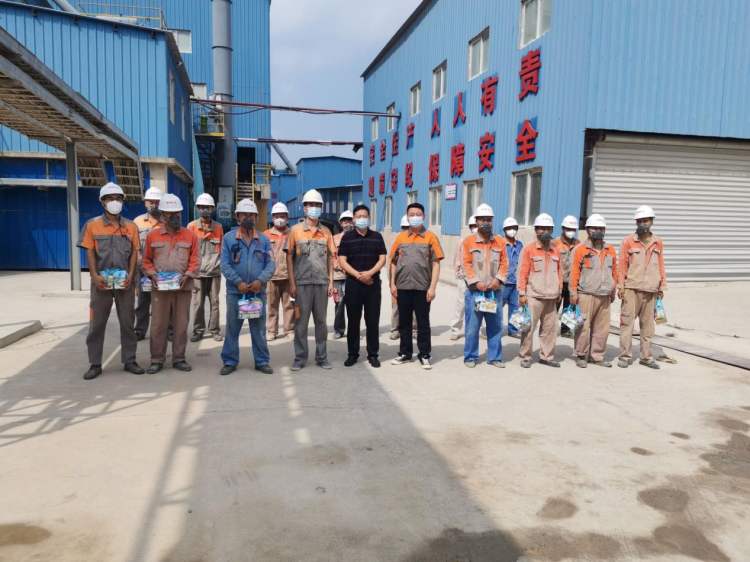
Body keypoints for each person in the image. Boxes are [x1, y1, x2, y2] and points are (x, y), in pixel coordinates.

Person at [78, 183, 144, 380]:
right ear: (102, 202)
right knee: (97, 324)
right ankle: (95, 364)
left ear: (123, 201)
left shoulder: (131, 226)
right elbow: (89, 251)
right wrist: (94, 276)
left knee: (128, 323)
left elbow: (134, 252)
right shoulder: (92, 225)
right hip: (101, 283)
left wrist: (131, 275)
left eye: (118, 198)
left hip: (125, 283)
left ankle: (130, 360)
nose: (115, 202)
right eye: (110, 198)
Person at [141, 194, 199, 374]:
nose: (174, 216)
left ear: (181, 213)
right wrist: (152, 275)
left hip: (183, 287)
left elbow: (195, 259)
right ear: (162, 214)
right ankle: (157, 359)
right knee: (158, 324)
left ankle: (179, 358)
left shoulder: (191, 236)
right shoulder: (152, 236)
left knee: (181, 325)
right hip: (160, 288)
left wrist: (188, 275)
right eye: (169, 213)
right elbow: (146, 260)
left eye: (177, 212)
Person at [219, 199, 276, 376]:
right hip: (236, 292)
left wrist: (260, 280)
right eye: (244, 214)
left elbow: (271, 263)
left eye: (251, 214)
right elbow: (224, 264)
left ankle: (262, 361)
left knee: (259, 330)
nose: (248, 217)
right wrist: (238, 282)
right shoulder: (229, 239)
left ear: (257, 217)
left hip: (258, 293)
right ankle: (230, 361)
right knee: (232, 329)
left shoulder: (264, 240)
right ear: (237, 216)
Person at [285, 189, 336, 371]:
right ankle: (300, 358)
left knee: (321, 323)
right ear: (304, 208)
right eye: (311, 205)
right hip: (301, 284)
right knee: (301, 323)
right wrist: (292, 283)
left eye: (317, 205)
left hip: (321, 284)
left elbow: (330, 257)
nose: (314, 208)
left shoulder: (326, 232)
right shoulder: (295, 231)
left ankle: (322, 357)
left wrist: (331, 282)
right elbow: (289, 257)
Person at [390, 203, 444, 370]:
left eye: (418, 214)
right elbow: (393, 262)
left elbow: (436, 263)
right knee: (404, 322)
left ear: (424, 217)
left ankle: (424, 354)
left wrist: (432, 287)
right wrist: (392, 284)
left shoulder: (431, 237)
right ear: (407, 217)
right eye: (411, 214)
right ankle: (405, 353)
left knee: (422, 323)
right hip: (403, 286)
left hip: (422, 288)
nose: (415, 217)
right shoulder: (400, 238)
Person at [337, 204, 388, 368]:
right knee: (353, 320)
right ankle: (352, 354)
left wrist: (369, 273)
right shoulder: (347, 238)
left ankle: (373, 354)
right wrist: (359, 275)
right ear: (353, 219)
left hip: (373, 283)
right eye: (358, 216)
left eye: (364, 216)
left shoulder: (377, 237)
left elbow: (382, 259)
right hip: (353, 283)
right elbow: (342, 260)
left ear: (369, 218)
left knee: (372, 321)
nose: (361, 219)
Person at [618, 205, 666, 369]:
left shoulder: (658, 242)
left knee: (648, 327)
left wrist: (662, 286)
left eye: (645, 220)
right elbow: (622, 265)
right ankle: (624, 356)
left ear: (651, 221)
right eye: (639, 221)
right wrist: (621, 286)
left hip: (651, 290)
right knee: (627, 324)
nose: (642, 224)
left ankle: (646, 357)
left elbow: (661, 265)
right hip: (632, 289)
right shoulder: (628, 241)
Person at [462, 204, 509, 369]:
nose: (486, 222)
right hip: (475, 292)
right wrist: (476, 282)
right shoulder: (468, 241)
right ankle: (470, 356)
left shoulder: (499, 241)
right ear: (476, 221)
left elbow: (504, 263)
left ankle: (495, 357)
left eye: (489, 219)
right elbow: (466, 265)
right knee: (472, 327)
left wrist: (498, 280)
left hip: (494, 292)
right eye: (482, 219)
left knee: (495, 326)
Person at [569, 214, 617, 368]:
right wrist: (573, 293)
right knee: (583, 327)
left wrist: (613, 289)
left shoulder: (610, 249)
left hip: (604, 295)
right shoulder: (580, 250)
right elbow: (574, 272)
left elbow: (614, 271)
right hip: (585, 294)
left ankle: (597, 356)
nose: (598, 231)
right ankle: (581, 355)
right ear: (588, 230)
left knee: (602, 329)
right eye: (595, 228)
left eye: (601, 228)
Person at [518, 213, 563, 368]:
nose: (545, 231)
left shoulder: (556, 249)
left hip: (551, 296)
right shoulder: (528, 249)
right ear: (536, 230)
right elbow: (522, 272)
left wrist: (560, 290)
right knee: (528, 327)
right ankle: (525, 356)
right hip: (533, 296)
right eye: (542, 228)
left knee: (550, 329)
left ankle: (547, 357)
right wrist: (522, 293)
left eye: (549, 229)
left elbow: (559, 271)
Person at [188, 193, 224, 342]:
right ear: (197, 208)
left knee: (215, 303)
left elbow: (222, 250)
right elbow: (188, 250)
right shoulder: (191, 227)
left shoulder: (218, 227)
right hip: (197, 274)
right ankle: (198, 330)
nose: (205, 210)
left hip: (214, 272)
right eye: (202, 207)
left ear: (213, 208)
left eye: (208, 207)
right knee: (198, 304)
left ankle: (215, 330)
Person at [133, 186, 164, 340]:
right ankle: (140, 330)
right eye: (151, 202)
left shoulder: (168, 222)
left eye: (157, 202)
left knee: (164, 302)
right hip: (143, 269)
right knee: (143, 301)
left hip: (162, 270)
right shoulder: (137, 222)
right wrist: (140, 263)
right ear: (145, 203)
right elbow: (134, 246)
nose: (154, 205)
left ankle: (168, 331)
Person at [264, 202, 295, 341]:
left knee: (290, 306)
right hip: (272, 277)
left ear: (287, 218)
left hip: (289, 277)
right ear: (272, 218)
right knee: (272, 306)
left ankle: (289, 330)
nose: (280, 219)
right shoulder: (266, 235)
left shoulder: (293, 233)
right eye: (277, 216)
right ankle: (272, 331)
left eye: (282, 216)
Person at [389, 215, 417, 341]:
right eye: (405, 227)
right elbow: (391, 263)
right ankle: (395, 329)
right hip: (399, 281)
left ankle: (414, 329)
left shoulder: (419, 241)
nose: (407, 230)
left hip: (416, 281)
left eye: (409, 227)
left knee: (415, 307)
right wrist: (392, 283)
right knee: (396, 306)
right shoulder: (398, 241)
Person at [450, 216, 477, 341]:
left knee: (479, 304)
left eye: (476, 226)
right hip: (464, 278)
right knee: (460, 304)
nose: (475, 228)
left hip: (479, 278)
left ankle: (476, 329)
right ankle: (455, 329)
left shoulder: (485, 242)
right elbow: (457, 258)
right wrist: (458, 273)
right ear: (470, 227)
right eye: (473, 226)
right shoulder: (463, 241)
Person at [554, 215, 581, 338]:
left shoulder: (578, 244)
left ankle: (566, 330)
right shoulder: (555, 243)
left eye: (573, 229)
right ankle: (550, 329)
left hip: (572, 282)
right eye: (568, 229)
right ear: (563, 228)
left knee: (570, 307)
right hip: (558, 281)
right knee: (553, 308)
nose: (571, 231)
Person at [332, 210, 354, 339]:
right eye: (345, 222)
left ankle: (354, 330)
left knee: (354, 305)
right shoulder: (335, 239)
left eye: (350, 221)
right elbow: (332, 257)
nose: (348, 224)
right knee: (339, 304)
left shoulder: (359, 238)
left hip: (354, 277)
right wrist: (342, 268)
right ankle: (339, 330)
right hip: (339, 277)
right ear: (341, 223)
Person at [501, 217, 524, 339]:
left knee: (515, 307)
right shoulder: (499, 243)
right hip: (502, 282)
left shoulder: (520, 245)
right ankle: (496, 329)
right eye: (509, 228)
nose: (512, 230)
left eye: (514, 228)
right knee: (498, 307)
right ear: (504, 230)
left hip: (515, 282)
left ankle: (513, 330)